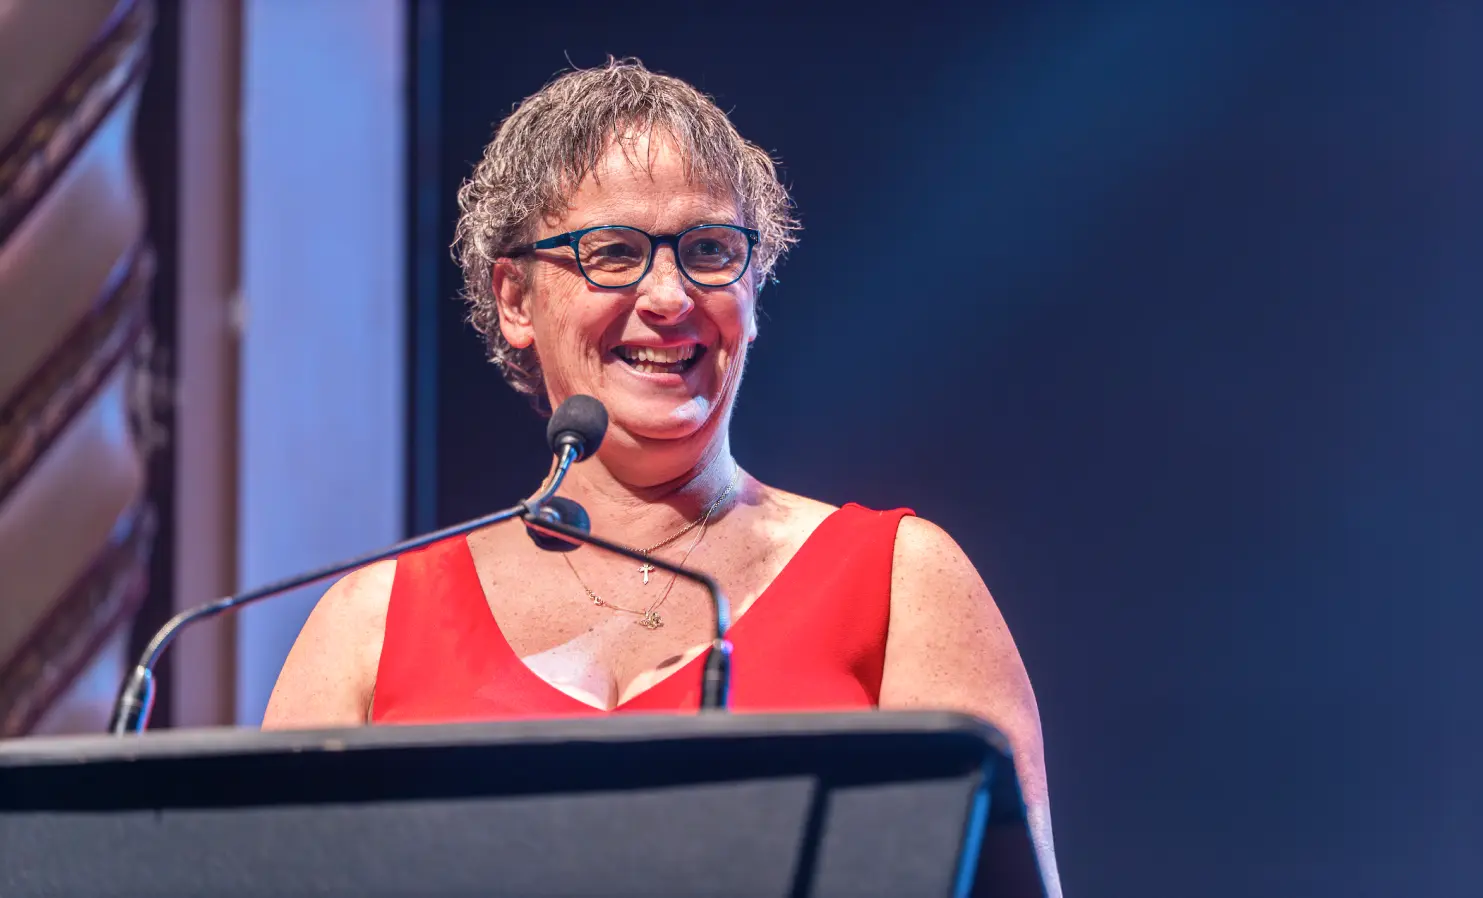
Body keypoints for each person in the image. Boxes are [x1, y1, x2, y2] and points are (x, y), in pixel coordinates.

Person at [263, 58, 1060, 893]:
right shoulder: (372, 622)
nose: (670, 295)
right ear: (514, 299)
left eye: (710, 249)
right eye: (613, 253)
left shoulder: (901, 583)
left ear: (752, 287)